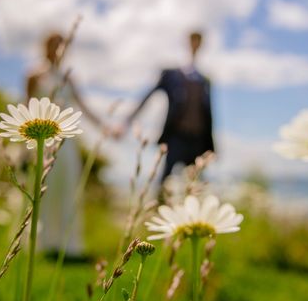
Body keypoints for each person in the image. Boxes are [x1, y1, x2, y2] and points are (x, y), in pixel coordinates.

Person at [26, 32, 104, 258]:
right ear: (45, 47)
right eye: (54, 44)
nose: (58, 49)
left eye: (62, 45)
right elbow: (26, 105)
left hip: (66, 139)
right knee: (43, 188)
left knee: (68, 187)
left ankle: (68, 243)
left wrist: (105, 126)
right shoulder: (34, 75)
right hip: (40, 138)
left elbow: (83, 106)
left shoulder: (68, 78)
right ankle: (41, 241)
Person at [118, 31, 215, 182]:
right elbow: (147, 96)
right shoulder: (172, 75)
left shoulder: (205, 80)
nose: (195, 45)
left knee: (195, 184)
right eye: (193, 41)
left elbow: (209, 115)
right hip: (176, 138)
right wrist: (126, 122)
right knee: (165, 182)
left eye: (198, 41)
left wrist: (210, 147)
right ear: (187, 43)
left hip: (198, 142)